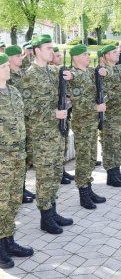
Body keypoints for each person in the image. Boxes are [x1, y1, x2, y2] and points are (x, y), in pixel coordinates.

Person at [22, 34, 73, 234]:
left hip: (57, 132)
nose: (52, 51)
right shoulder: (30, 74)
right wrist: (51, 113)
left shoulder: (53, 72)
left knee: (54, 174)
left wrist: (72, 77)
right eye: (48, 48)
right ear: (36, 51)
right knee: (44, 175)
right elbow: (26, 106)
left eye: (53, 48)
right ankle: (45, 217)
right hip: (42, 134)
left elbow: (67, 87)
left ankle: (52, 210)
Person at [0, 53, 34, 269]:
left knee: (13, 200)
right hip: (2, 158)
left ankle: (8, 240)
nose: (7, 69)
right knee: (1, 202)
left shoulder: (13, 91)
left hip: (18, 155)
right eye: (3, 66)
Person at [68, 44, 106, 209]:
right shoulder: (73, 76)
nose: (88, 57)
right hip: (82, 123)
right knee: (83, 159)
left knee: (91, 157)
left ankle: (89, 188)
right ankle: (83, 193)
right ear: (76, 57)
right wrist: (95, 107)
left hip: (92, 122)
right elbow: (76, 102)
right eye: (85, 54)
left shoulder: (91, 72)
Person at [98, 45, 121, 187]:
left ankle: (117, 169)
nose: (117, 54)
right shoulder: (103, 72)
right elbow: (103, 94)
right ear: (106, 55)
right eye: (114, 52)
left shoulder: (119, 68)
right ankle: (110, 173)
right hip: (111, 116)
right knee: (110, 145)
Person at [5, 45, 35, 203]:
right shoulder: (7, 77)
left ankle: (22, 188)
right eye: (16, 56)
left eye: (19, 55)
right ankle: (18, 191)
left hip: (27, 122)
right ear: (8, 58)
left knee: (26, 158)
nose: (20, 57)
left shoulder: (23, 73)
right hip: (15, 125)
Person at [50, 46, 75, 185]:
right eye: (57, 56)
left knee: (64, 144)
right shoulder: (50, 73)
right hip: (55, 116)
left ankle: (62, 170)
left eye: (61, 55)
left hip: (65, 112)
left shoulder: (62, 71)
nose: (60, 58)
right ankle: (57, 174)